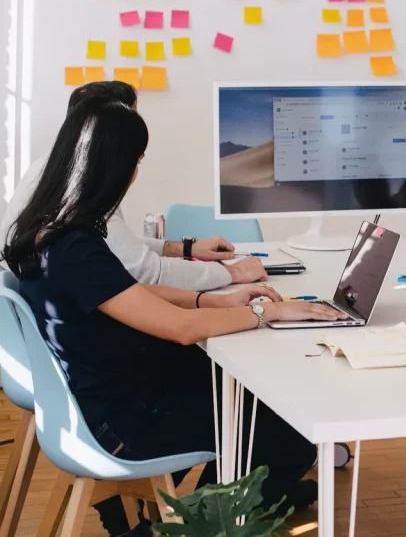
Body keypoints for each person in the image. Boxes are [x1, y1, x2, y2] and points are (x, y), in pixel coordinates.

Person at [2, 97, 345, 536]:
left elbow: (127, 293)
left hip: (111, 394)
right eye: (136, 160)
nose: (137, 171)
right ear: (114, 166)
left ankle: (218, 507)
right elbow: (181, 331)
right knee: (289, 437)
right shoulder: (75, 246)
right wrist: (266, 312)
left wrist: (213, 301)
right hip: (121, 420)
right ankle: (187, 526)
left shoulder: (49, 229)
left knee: (247, 402)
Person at [0, 81, 267, 291]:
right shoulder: (80, 187)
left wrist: (183, 249)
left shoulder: (53, 169)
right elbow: (146, 273)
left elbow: (111, 246)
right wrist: (231, 273)